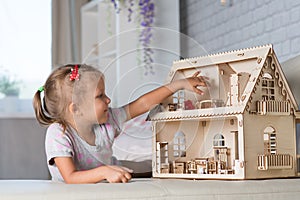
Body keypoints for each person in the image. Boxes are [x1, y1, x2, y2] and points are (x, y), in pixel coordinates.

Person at [33, 64, 207, 184]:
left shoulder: (108, 121)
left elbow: (142, 104)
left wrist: (179, 84)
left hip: (106, 186)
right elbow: (70, 177)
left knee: (154, 171)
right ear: (76, 109)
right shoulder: (58, 133)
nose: (108, 100)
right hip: (75, 195)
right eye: (100, 96)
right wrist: (104, 171)